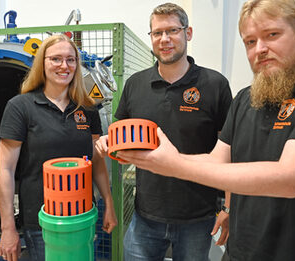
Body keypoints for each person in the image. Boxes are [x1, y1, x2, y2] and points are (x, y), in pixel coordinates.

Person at [116, 0, 295, 260]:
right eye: (249, 41)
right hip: (240, 251)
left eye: (272, 35)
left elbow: (290, 178)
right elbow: (217, 162)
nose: (260, 49)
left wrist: (171, 163)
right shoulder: (247, 99)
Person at [95, 3, 233, 260]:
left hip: (197, 217)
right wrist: (107, 140)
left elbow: (229, 149)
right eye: (157, 33)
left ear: (188, 33)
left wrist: (228, 205)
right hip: (145, 215)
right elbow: (121, 134)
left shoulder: (215, 85)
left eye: (172, 30)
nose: (164, 39)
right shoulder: (136, 84)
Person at [0, 34, 117, 261]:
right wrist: (7, 228)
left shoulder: (87, 108)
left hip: (82, 215)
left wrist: (108, 203)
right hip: (42, 220)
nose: (64, 66)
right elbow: (6, 170)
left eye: (71, 60)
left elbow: (97, 160)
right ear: (43, 63)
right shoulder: (20, 107)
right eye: (56, 59)